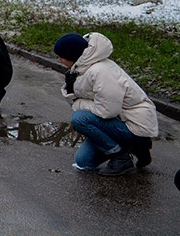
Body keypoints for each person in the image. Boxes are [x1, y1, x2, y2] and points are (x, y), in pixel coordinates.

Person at [53, 32, 158, 176]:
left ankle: (121, 157)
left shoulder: (101, 71)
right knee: (83, 161)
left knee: (80, 118)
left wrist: (78, 104)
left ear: (72, 56)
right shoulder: (83, 68)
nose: (59, 60)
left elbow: (108, 111)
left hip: (135, 124)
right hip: (121, 121)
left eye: (61, 56)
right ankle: (137, 147)